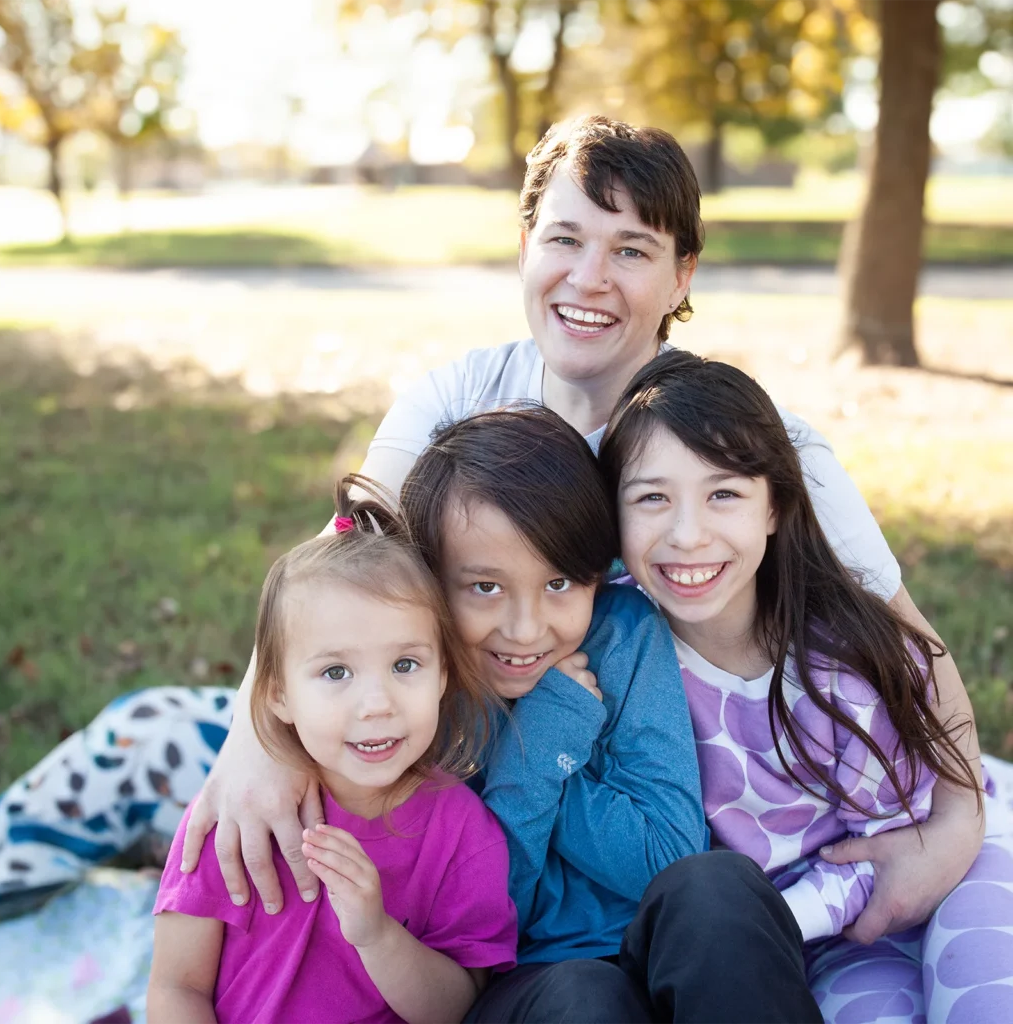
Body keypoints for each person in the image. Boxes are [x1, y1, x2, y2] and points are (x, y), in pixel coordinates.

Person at [179, 115, 984, 946]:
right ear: (525, 243)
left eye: (632, 249)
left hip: (664, 816)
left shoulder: (752, 450)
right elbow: (336, 574)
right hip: (455, 774)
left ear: (683, 275)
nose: (589, 278)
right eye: (566, 238)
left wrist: (957, 822)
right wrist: (252, 743)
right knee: (196, 776)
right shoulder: (455, 402)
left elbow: (910, 642)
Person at [599, 348, 1013, 1023]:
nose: (687, 534)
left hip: (945, 864)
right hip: (831, 940)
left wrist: (767, 920)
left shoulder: (832, 667)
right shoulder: (620, 650)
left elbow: (895, 848)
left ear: (774, 507)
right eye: (651, 498)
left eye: (724, 493)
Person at [398, 405, 822, 1023]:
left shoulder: (621, 636)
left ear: (600, 575)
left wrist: (554, 764)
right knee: (586, 997)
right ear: (432, 582)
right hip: (522, 985)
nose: (524, 629)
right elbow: (485, 923)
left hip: (655, 952)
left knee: (716, 887)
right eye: (485, 588)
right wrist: (536, 752)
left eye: (560, 583)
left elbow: (669, 855)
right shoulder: (417, 686)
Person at [146, 481, 518, 1024]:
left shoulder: (462, 833)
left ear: (443, 673)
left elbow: (458, 1009)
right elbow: (177, 989)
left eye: (405, 665)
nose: (376, 704)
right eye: (336, 672)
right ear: (276, 693)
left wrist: (377, 935)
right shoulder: (238, 816)